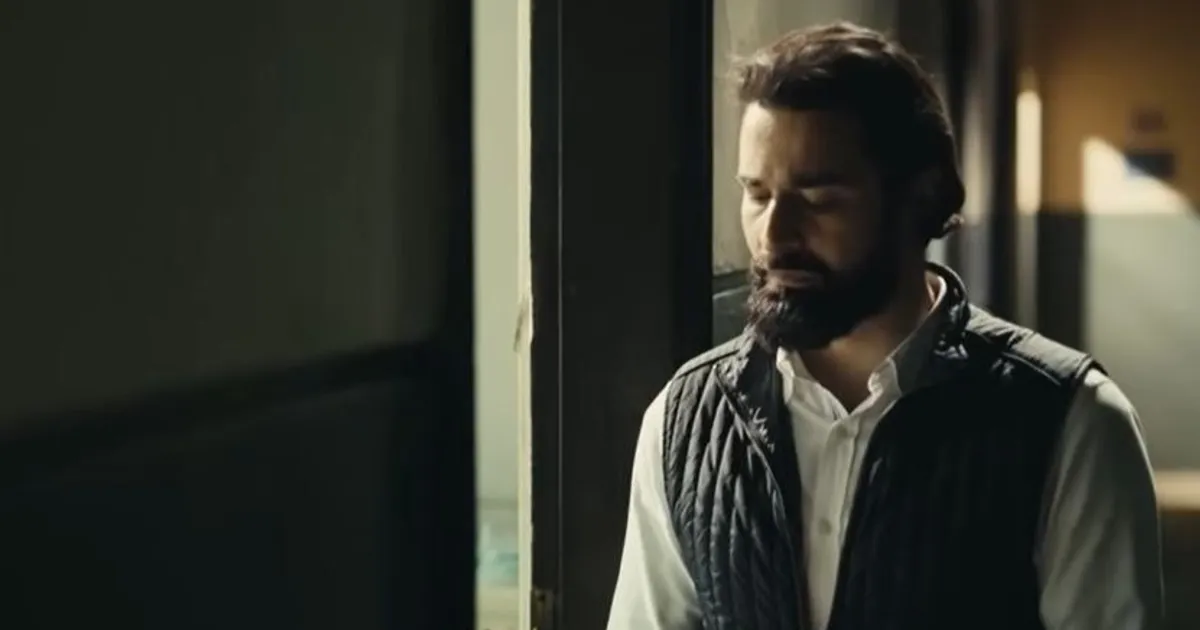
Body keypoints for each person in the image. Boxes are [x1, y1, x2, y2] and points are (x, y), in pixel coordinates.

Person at [606, 21, 1163, 630]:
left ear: (919, 197)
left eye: (818, 199)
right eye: (758, 194)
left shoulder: (1069, 422)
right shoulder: (685, 421)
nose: (773, 235)